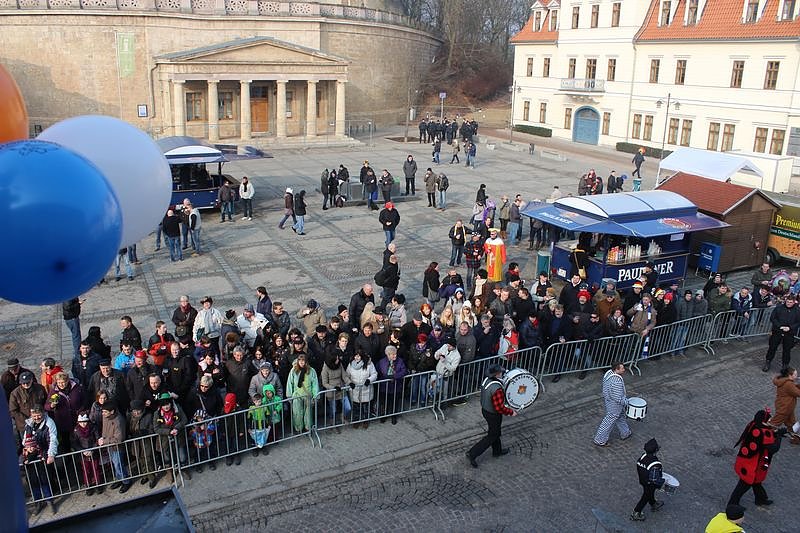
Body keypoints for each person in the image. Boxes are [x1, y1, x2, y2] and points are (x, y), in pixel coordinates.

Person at [465, 364, 516, 468]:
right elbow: (499, 408)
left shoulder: (486, 381)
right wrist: (511, 412)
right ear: (497, 374)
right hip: (493, 414)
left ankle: (497, 451)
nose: (502, 373)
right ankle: (473, 453)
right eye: (500, 372)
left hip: (485, 409)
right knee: (492, 435)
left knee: (495, 432)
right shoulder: (497, 388)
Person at [728, 410, 780, 507]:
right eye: (769, 419)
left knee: (756, 482)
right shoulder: (762, 432)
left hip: (749, 462)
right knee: (744, 484)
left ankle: (761, 499)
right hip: (752, 464)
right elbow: (773, 448)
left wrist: (776, 433)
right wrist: (779, 436)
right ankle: (732, 503)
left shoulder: (754, 425)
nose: (771, 420)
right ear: (763, 421)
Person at [592, 361, 632, 446]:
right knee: (608, 422)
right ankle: (599, 439)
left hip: (609, 402)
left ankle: (625, 432)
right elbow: (618, 398)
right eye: (622, 368)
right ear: (617, 369)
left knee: (620, 416)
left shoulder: (608, 373)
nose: (624, 370)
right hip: (615, 405)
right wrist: (627, 402)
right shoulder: (616, 382)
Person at [763, 293, 800, 372]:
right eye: (787, 302)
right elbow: (773, 318)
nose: (789, 304)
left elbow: (798, 322)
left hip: (789, 333)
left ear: (794, 302)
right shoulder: (779, 308)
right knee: (772, 347)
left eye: (790, 302)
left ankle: (785, 365)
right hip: (777, 331)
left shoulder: (797, 310)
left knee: (787, 350)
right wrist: (780, 326)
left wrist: (790, 328)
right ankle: (768, 362)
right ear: (785, 301)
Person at [630, 438, 665, 521]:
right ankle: (636, 512)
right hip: (650, 483)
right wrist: (662, 483)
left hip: (643, 480)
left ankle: (653, 503)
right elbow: (654, 478)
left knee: (649, 493)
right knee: (646, 496)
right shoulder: (656, 464)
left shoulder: (642, 457)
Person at [286, 354, 319, 432]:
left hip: (308, 395)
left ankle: (308, 428)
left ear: (306, 361)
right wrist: (289, 396)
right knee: (297, 413)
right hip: (297, 394)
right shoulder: (293, 370)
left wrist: (315, 396)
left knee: (308, 413)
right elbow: (290, 383)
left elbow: (314, 384)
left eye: (303, 360)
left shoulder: (311, 371)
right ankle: (298, 428)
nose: (301, 362)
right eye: (300, 360)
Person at [769, 366, 800, 443]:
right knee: (773, 424)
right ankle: (765, 437)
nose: (797, 376)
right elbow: (797, 392)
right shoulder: (788, 384)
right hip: (784, 408)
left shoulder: (785, 381)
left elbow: (794, 388)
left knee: (792, 424)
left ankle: (795, 439)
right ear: (790, 375)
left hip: (787, 408)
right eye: (795, 374)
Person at [62, 297, 83, 363]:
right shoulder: (68, 295)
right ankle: (78, 353)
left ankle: (78, 351)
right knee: (76, 336)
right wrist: (78, 303)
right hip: (72, 318)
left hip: (72, 317)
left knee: (76, 335)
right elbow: (67, 307)